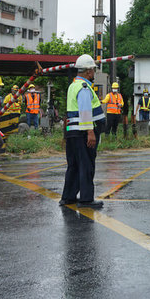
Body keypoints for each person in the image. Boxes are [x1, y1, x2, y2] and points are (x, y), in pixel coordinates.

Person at [60, 54, 106, 208]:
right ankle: (86, 199)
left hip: (73, 132)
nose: (94, 72)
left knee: (73, 165)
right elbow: (85, 112)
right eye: (93, 69)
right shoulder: (84, 87)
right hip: (83, 133)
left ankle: (68, 197)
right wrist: (90, 132)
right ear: (88, 71)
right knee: (86, 165)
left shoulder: (73, 86)